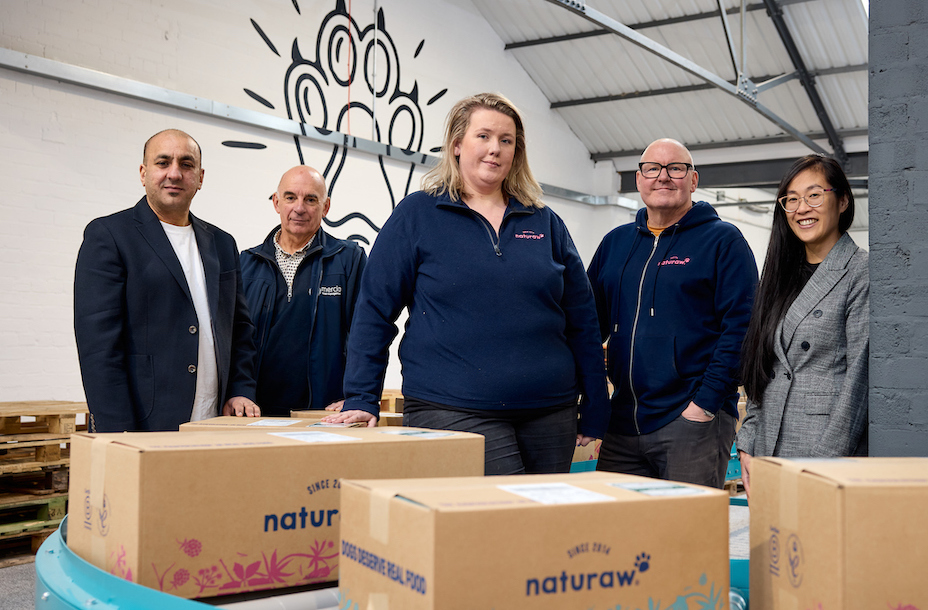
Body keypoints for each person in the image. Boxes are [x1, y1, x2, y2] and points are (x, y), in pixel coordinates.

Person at [323, 93, 610, 474]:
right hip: (451, 408)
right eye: (484, 137)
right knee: (503, 520)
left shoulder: (545, 222)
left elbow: (582, 319)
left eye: (506, 141)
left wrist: (594, 402)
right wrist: (361, 395)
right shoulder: (418, 215)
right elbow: (374, 310)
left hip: (549, 412)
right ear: (457, 145)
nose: (495, 149)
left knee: (541, 527)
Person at [587, 138, 758, 488]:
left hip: (690, 422)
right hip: (622, 422)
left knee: (686, 537)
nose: (662, 177)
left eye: (675, 168)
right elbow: (588, 326)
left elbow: (742, 329)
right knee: (615, 533)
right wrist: (592, 405)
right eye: (652, 168)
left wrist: (703, 406)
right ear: (639, 180)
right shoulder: (615, 244)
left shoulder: (723, 241)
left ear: (693, 180)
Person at [74, 129, 259, 432]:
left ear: (200, 177)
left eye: (186, 165)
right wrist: (118, 432)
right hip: (144, 424)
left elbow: (239, 330)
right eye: (163, 163)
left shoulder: (222, 244)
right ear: (144, 173)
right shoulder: (109, 236)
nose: (174, 173)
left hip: (217, 421)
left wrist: (241, 388)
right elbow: (99, 348)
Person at [735, 154, 869, 497]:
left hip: (822, 450)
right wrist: (748, 441)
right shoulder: (780, 275)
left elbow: (859, 380)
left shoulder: (860, 271)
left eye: (813, 195)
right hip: (768, 445)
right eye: (791, 199)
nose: (801, 208)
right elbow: (762, 366)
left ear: (842, 201)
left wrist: (826, 465)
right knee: (773, 548)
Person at [240, 166, 366, 415]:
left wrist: (357, 395)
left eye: (310, 199)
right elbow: (236, 340)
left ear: (325, 206)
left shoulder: (349, 260)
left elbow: (366, 334)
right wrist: (238, 390)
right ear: (277, 202)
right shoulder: (246, 264)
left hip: (326, 411)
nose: (299, 208)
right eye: (290, 197)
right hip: (255, 411)